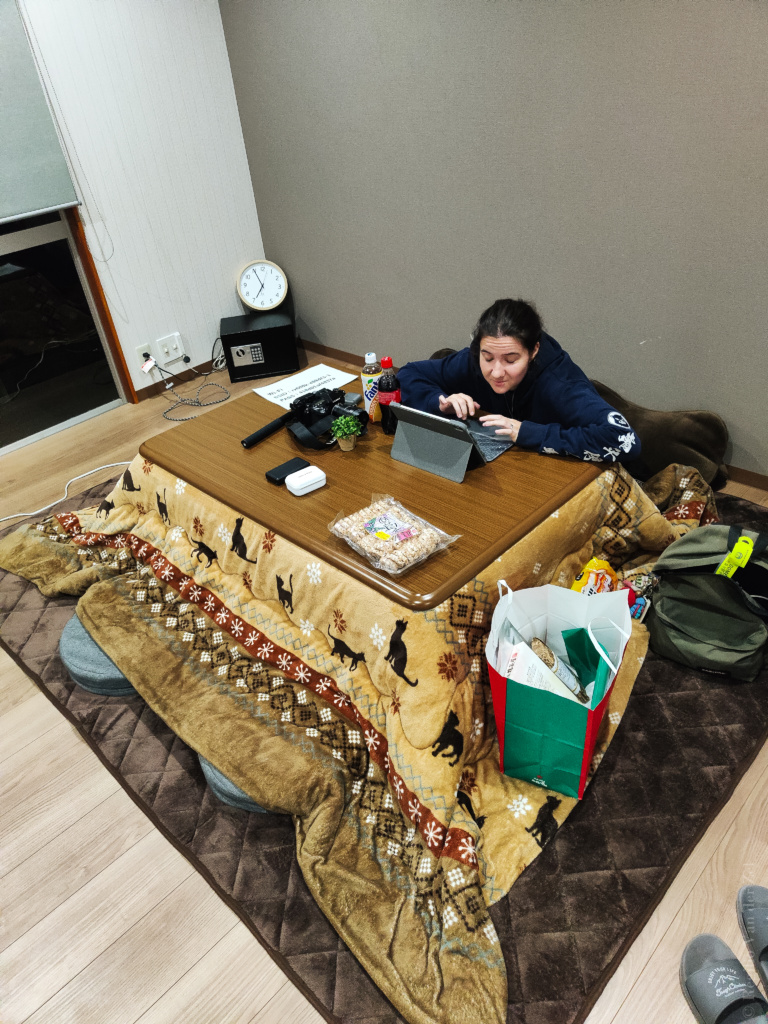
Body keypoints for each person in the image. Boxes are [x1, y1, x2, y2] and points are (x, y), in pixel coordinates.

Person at [398, 298, 642, 465]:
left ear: (534, 351)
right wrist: (439, 402)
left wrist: (526, 432)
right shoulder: (471, 360)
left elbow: (624, 440)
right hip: (502, 471)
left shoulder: (559, 382)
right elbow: (408, 374)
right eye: (488, 358)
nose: (496, 372)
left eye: (511, 360)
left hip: (559, 478)